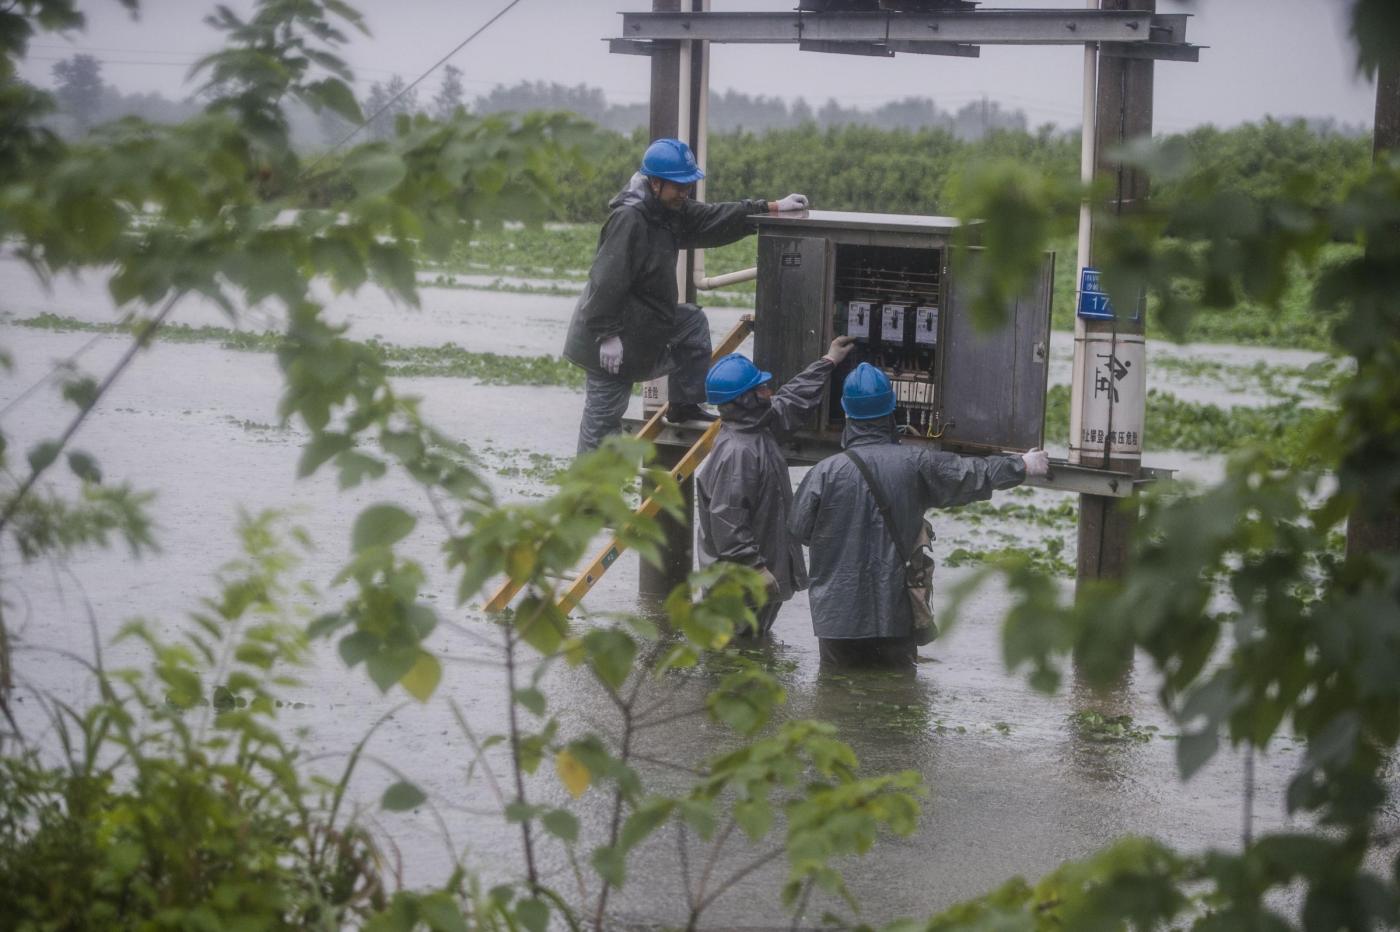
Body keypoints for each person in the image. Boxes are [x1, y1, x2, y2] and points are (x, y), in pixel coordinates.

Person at [790, 363, 1051, 668]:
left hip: (836, 619)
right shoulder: (916, 463)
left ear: (847, 415)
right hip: (895, 615)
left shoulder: (823, 473)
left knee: (834, 698)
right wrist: (1022, 465)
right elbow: (970, 473)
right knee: (899, 702)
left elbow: (798, 529)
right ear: (892, 411)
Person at [562, 137, 810, 453]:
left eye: (688, 186)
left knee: (691, 322)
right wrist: (606, 335)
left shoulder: (669, 211)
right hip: (607, 341)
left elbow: (715, 217)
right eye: (678, 186)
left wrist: (770, 208)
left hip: (644, 323)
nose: (685, 193)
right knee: (603, 421)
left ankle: (684, 403)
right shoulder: (629, 219)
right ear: (654, 183)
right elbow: (604, 283)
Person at [696, 336, 857, 637]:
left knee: (750, 651)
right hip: (738, 586)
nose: (769, 391)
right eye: (761, 388)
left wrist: (828, 362)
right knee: (733, 657)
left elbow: (792, 399)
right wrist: (754, 568)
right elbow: (727, 524)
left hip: (755, 577)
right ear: (745, 399)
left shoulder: (757, 428)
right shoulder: (738, 452)